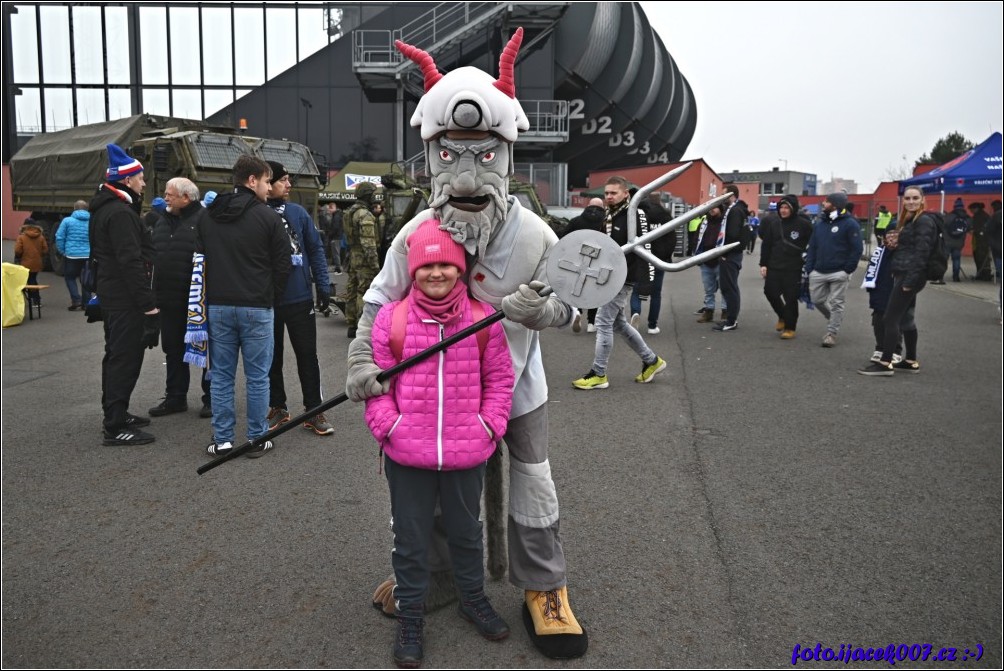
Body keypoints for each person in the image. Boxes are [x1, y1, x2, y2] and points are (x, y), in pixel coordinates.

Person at [350, 30, 589, 660]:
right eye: (450, 158)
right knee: (431, 479)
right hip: (438, 392)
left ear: (507, 156)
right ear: (430, 158)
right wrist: (359, 359)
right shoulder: (419, 231)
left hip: (519, 386)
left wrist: (549, 311)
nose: (464, 177)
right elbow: (378, 298)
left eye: (483, 159)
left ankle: (544, 586)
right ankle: (434, 579)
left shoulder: (537, 235)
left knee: (533, 480)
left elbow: (572, 309)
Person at [365, 219, 515, 667]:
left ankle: (472, 598)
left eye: (446, 266)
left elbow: (500, 380)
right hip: (406, 453)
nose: (436, 274)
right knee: (410, 538)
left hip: (467, 451)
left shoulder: (483, 319)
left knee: (466, 533)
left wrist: (489, 426)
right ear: (412, 270)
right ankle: (411, 612)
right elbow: (376, 386)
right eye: (426, 266)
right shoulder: (390, 319)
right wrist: (389, 427)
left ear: (459, 269)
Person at [196, 155, 291, 457]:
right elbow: (283, 265)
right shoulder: (267, 217)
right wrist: (270, 297)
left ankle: (222, 439)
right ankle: (256, 438)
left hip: (218, 306)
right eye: (265, 181)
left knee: (221, 376)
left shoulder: (208, 215)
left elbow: (199, 260)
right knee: (257, 376)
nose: (268, 187)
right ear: (252, 181)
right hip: (256, 306)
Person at [89, 143, 159, 446]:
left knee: (117, 356)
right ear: (127, 180)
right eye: (141, 178)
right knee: (124, 359)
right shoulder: (120, 214)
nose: (144, 183)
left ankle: (117, 412)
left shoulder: (107, 207)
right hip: (125, 299)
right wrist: (148, 306)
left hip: (113, 295)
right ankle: (115, 426)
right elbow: (130, 262)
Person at [571, 176, 666, 390]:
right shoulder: (611, 214)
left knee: (603, 322)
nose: (609, 197)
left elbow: (642, 248)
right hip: (610, 275)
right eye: (606, 193)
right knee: (617, 323)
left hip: (623, 277)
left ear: (626, 194)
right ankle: (652, 361)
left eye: (613, 193)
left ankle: (598, 373)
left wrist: (643, 281)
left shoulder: (634, 214)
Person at [263, 160, 334, 437]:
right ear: (267, 183)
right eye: (283, 180)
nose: (289, 185)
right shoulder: (255, 213)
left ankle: (314, 410)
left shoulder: (298, 213)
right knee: (271, 357)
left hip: (299, 297)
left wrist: (323, 285)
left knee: (307, 355)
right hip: (265, 300)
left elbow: (315, 250)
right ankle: (277, 406)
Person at [148, 177, 212, 419]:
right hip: (168, 299)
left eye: (170, 194)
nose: (165, 197)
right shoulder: (161, 221)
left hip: (197, 300)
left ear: (187, 197)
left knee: (207, 350)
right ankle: (175, 397)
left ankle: (212, 398)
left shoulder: (205, 220)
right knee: (173, 349)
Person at [858, 185, 935, 376]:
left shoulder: (923, 221)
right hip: (905, 274)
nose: (911, 202)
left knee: (890, 318)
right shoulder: (909, 220)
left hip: (909, 276)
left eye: (915, 198)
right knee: (907, 319)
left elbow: (922, 253)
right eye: (908, 198)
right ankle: (911, 361)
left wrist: (910, 280)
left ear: (922, 200)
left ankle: (885, 363)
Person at [804, 192, 863, 347]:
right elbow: (813, 247)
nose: (823, 203)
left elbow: (856, 249)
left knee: (837, 303)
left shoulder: (850, 224)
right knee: (817, 300)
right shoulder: (820, 223)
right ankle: (834, 318)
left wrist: (847, 270)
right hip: (818, 271)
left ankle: (831, 333)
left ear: (835, 205)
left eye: (826, 201)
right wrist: (810, 268)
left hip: (839, 272)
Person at [758, 194, 812, 339]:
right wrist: (763, 264)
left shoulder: (804, 224)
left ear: (793, 208)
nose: (783, 210)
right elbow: (767, 245)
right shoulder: (774, 224)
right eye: (781, 207)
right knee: (770, 292)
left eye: (786, 207)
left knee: (791, 298)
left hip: (794, 268)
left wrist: (809, 262)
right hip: (774, 265)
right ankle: (782, 316)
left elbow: (812, 245)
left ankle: (789, 327)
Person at [560, 197, 605, 333]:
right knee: (594, 291)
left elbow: (564, 238)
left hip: (577, 260)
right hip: (598, 260)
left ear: (588, 206)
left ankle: (577, 312)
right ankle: (592, 323)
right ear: (602, 207)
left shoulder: (576, 221)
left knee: (577, 288)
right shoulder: (605, 223)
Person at [629, 191, 671, 335]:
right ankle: (652, 325)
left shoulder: (639, 214)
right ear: (660, 200)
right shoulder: (666, 215)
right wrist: (666, 257)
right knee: (656, 293)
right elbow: (672, 238)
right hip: (659, 259)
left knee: (636, 290)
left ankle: (635, 313)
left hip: (641, 258)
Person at [343, 181, 381, 339]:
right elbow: (369, 244)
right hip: (363, 259)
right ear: (367, 196)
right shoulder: (365, 215)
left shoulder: (349, 212)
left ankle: (351, 324)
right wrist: (375, 267)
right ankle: (361, 325)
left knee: (351, 290)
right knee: (363, 291)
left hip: (352, 257)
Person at [710, 185, 747, 331]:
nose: (722, 197)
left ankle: (731, 320)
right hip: (729, 253)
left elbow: (732, 234)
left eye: (724, 195)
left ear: (732, 195)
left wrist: (725, 252)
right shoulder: (732, 210)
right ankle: (730, 319)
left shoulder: (735, 211)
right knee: (727, 287)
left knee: (729, 287)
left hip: (730, 255)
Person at [693, 205, 729, 323]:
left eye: (715, 207)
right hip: (705, 259)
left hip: (720, 259)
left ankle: (725, 311)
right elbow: (696, 239)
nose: (712, 210)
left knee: (724, 287)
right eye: (710, 208)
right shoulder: (704, 223)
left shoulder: (725, 223)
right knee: (708, 289)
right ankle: (709, 311)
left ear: (720, 209)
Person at [55, 200, 91, 310]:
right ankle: (87, 303)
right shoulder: (92, 221)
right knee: (86, 279)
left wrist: (63, 251)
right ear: (86, 209)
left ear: (74, 208)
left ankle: (76, 301)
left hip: (71, 255)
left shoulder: (67, 221)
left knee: (70, 278)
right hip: (88, 255)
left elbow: (59, 237)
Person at [14, 219, 48, 306]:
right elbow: (45, 250)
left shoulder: (21, 237)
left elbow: (18, 251)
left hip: (24, 263)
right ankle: (36, 300)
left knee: (24, 281)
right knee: (33, 280)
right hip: (37, 262)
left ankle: (25, 301)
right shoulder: (41, 237)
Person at [941, 198, 970, 283]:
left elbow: (943, 225)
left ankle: (940, 276)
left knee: (944, 259)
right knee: (956, 259)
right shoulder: (967, 218)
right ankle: (956, 277)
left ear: (954, 207)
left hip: (947, 242)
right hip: (959, 242)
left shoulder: (950, 216)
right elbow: (969, 228)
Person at [969, 202, 992, 281]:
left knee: (981, 258)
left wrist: (974, 231)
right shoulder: (983, 215)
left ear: (976, 209)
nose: (970, 211)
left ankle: (984, 275)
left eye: (971, 210)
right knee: (981, 258)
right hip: (981, 241)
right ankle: (982, 274)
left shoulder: (980, 217)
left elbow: (980, 229)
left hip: (981, 241)